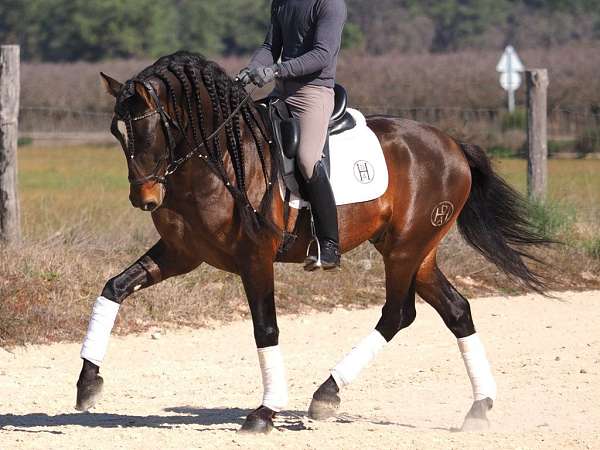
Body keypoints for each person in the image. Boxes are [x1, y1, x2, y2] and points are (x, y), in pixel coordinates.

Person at [238, 0, 347, 271]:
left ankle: (330, 245)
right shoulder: (282, 2)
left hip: (313, 94)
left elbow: (322, 54)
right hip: (281, 93)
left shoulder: (329, 4)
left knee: (308, 159)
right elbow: (269, 47)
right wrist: (251, 69)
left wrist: (276, 70)